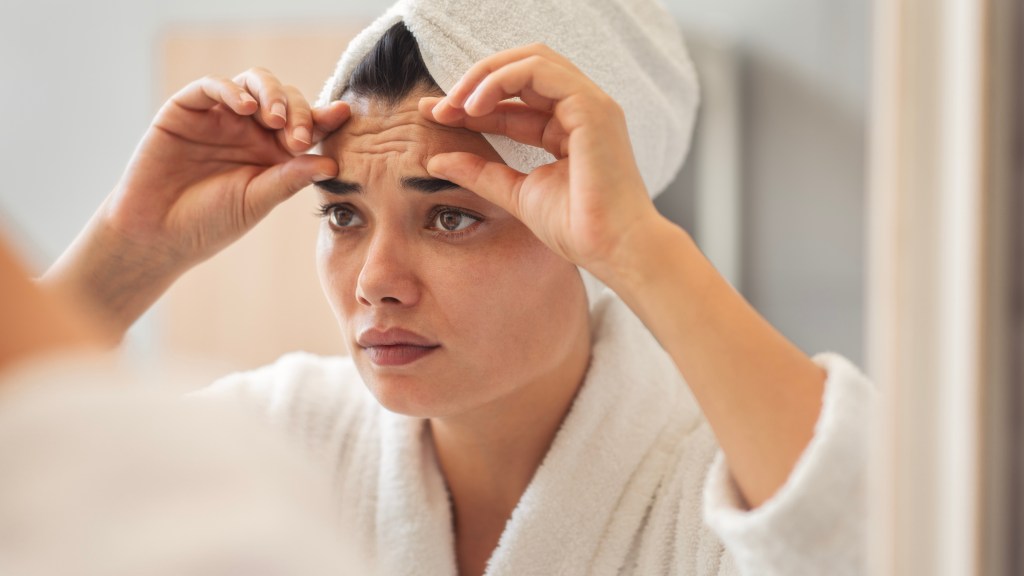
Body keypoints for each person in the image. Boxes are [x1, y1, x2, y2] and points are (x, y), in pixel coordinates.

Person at [37, 0, 874, 574]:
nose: (377, 283)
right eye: (342, 217)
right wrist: (129, 253)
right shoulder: (281, 440)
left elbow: (881, 541)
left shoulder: (715, 480)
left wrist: (640, 247)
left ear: (588, 229)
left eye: (451, 220)